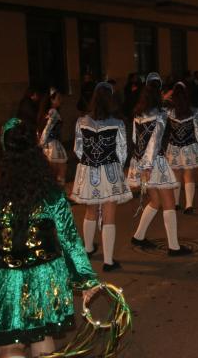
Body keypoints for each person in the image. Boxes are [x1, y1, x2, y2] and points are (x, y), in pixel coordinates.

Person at [0, 118, 99, 358]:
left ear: (5, 152)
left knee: (10, 342)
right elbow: (70, 240)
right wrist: (85, 278)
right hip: (45, 276)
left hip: (4, 279)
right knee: (41, 337)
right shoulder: (52, 194)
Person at [127, 79, 192, 256]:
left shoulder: (138, 114)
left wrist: (140, 164)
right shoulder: (161, 114)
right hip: (154, 162)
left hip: (140, 160)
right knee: (169, 203)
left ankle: (139, 236)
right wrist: (148, 165)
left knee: (155, 201)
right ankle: (174, 247)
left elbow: (135, 139)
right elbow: (155, 141)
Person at [71, 82, 132, 271]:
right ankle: (108, 261)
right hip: (110, 172)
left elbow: (78, 149)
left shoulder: (81, 121)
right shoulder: (118, 123)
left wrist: (90, 163)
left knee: (90, 210)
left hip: (89, 171)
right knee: (109, 215)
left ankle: (88, 249)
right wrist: (116, 168)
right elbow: (122, 151)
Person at [165, 82, 198, 214]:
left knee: (176, 175)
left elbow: (156, 107)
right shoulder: (193, 111)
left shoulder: (170, 112)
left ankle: (176, 203)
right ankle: (189, 205)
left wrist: (166, 96)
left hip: (174, 147)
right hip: (189, 146)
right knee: (189, 176)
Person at [38, 88, 68, 185]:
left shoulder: (45, 112)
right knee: (60, 174)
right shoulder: (53, 112)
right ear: (51, 100)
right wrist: (40, 145)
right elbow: (47, 130)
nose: (61, 100)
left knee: (53, 175)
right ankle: (59, 196)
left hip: (49, 146)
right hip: (53, 146)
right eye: (58, 98)